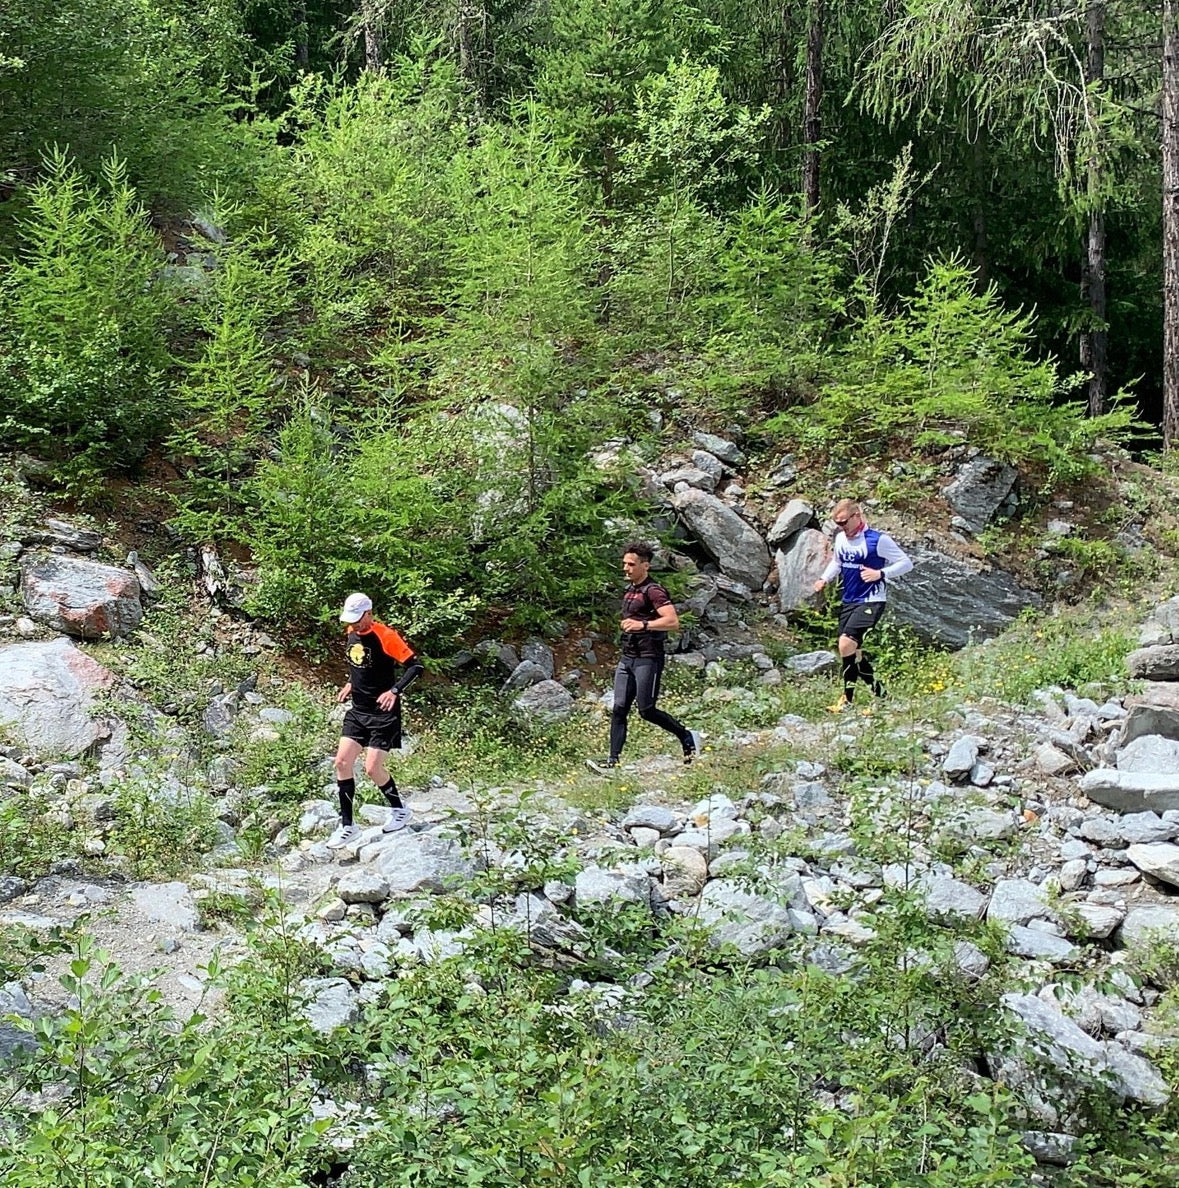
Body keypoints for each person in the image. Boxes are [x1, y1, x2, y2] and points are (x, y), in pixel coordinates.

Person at [587, 544, 700, 773]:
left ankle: (687, 736)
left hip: (649, 658)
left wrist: (643, 625)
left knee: (646, 710)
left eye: (631, 564)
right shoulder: (630, 590)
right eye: (624, 564)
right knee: (619, 707)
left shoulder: (654, 591)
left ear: (645, 566)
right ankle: (612, 762)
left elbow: (672, 621)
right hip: (627, 657)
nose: (626, 568)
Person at [327, 592, 425, 848]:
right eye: (351, 619)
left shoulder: (386, 635)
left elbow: (415, 666)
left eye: (358, 619)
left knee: (372, 769)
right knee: (341, 762)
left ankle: (399, 810)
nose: (354, 624)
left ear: (369, 614)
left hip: (383, 713)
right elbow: (360, 665)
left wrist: (394, 691)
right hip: (358, 711)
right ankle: (348, 826)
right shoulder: (351, 631)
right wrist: (350, 683)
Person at [812, 499, 913, 713]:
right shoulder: (841, 538)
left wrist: (881, 573)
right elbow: (837, 562)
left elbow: (906, 563)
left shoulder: (878, 540)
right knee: (854, 653)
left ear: (856, 516)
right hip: (849, 600)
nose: (841, 527)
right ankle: (882, 696)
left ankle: (847, 701)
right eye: (837, 523)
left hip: (872, 600)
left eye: (844, 522)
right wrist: (824, 579)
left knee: (845, 644)